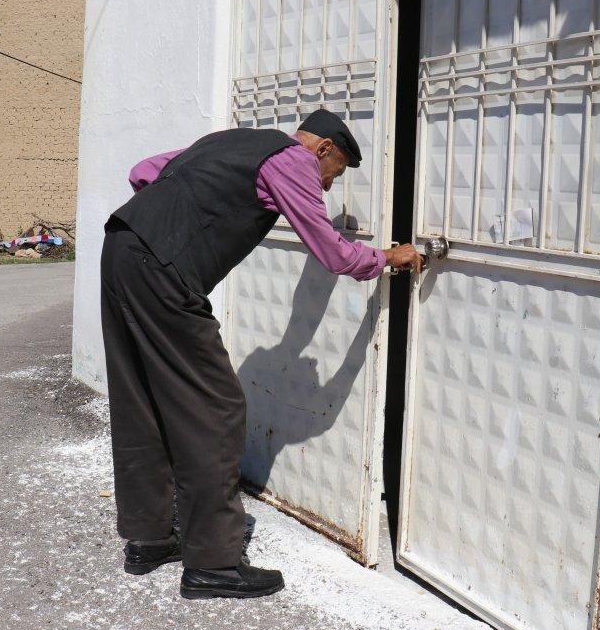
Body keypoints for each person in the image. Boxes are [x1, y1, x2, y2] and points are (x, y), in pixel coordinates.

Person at [100, 109, 423, 599]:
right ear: (323, 150)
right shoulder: (293, 159)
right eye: (332, 176)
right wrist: (385, 258)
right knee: (217, 411)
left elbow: (144, 171)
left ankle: (148, 539)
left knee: (141, 400)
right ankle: (213, 564)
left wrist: (172, 222)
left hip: (121, 247)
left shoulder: (231, 141)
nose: (327, 188)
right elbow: (333, 254)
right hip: (161, 270)